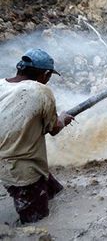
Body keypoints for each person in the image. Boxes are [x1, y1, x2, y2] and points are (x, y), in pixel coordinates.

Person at [0, 49, 74, 224]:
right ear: (45, 74)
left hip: (10, 162)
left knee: (55, 192)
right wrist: (63, 119)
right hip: (21, 170)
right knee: (37, 222)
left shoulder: (1, 84)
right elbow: (54, 129)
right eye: (49, 76)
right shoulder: (41, 91)